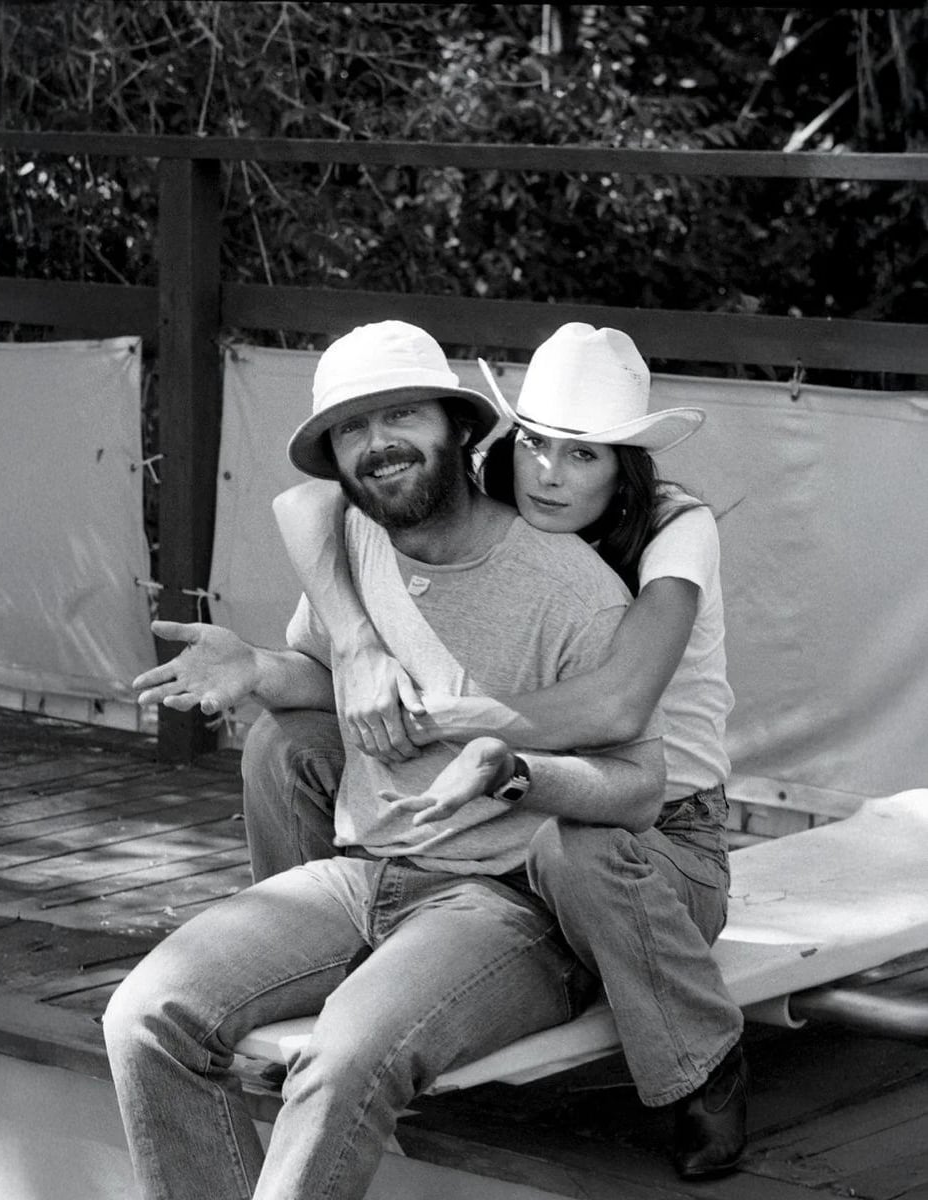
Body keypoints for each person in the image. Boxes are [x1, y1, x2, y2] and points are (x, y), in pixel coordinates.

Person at [139, 322, 748, 1180]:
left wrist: (447, 717)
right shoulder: (439, 500)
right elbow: (304, 502)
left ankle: (697, 1063)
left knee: (573, 850)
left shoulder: (668, 533)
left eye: (584, 455)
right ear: (498, 438)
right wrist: (346, 648)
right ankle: (324, 963)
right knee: (282, 744)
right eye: (536, 444)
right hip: (466, 828)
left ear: (623, 464)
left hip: (652, 827)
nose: (549, 472)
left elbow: (618, 703)